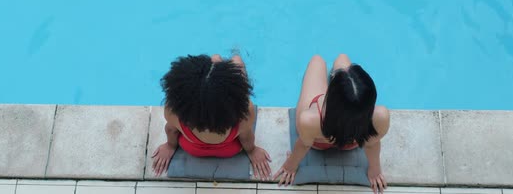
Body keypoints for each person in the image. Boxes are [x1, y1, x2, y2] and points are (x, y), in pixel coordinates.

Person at [273, 54, 390, 193]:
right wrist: (375, 169)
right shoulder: (380, 117)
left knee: (318, 60)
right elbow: (372, 144)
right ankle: (342, 79)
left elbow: (304, 144)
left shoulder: (311, 120)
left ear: (331, 96)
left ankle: (337, 76)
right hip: (352, 143)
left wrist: (290, 165)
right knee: (342, 59)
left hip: (320, 142)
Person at [151, 54, 272, 179]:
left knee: (214, 58)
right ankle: (219, 66)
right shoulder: (245, 112)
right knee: (236, 60)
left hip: (193, 149)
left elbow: (171, 130)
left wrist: (170, 146)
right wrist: (252, 151)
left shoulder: (173, 110)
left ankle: (215, 67)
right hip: (229, 150)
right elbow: (246, 136)